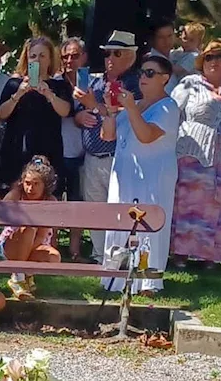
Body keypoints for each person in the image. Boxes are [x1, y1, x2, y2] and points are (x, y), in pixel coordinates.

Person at [98, 55, 181, 295]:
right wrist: (112, 112)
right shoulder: (134, 106)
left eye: (150, 73)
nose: (143, 78)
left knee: (148, 224)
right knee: (118, 222)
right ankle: (114, 277)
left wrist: (131, 108)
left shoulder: (168, 106)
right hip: (124, 174)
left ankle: (148, 281)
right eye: (142, 72)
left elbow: (146, 136)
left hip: (153, 176)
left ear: (164, 79)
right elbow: (108, 136)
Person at [169, 40, 221, 267]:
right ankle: (181, 253)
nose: (214, 61)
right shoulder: (189, 83)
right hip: (191, 153)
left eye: (220, 56)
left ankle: (209, 255)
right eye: (209, 57)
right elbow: (172, 112)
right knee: (188, 204)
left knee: (216, 203)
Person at [77, 30, 141, 260]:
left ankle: (120, 255)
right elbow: (78, 113)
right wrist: (81, 115)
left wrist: (94, 106)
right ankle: (99, 255)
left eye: (116, 53)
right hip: (92, 155)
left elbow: (127, 117)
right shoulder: (96, 82)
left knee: (119, 208)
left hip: (119, 157)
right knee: (95, 208)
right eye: (107, 54)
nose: (109, 59)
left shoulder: (136, 84)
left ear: (131, 56)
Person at [0, 37, 72, 194]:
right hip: (16, 150)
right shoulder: (14, 84)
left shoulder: (59, 85)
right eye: (33, 56)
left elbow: (65, 111)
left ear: (50, 59)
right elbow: (2, 114)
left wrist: (49, 94)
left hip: (48, 151)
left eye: (42, 56)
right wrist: (18, 94)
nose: (37, 60)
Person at [0, 156, 61, 299]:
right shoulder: (17, 194)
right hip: (12, 244)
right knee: (29, 228)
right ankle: (17, 277)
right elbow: (1, 209)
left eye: (36, 184)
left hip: (36, 244)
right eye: (27, 183)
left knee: (54, 257)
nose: (30, 188)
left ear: (45, 185)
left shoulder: (49, 201)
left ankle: (25, 272)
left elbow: (42, 235)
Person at [57, 37, 91, 256]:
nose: (70, 60)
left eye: (75, 55)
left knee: (78, 201)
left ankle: (75, 249)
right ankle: (51, 247)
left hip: (85, 152)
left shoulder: (92, 82)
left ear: (85, 57)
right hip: (58, 150)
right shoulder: (55, 83)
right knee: (54, 200)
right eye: (66, 56)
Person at [147, 19, 180, 91]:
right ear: (153, 39)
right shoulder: (152, 64)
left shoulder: (177, 56)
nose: (166, 41)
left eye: (169, 36)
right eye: (161, 37)